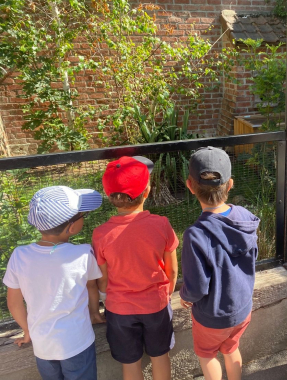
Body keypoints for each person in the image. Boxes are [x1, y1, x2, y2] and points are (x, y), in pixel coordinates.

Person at [3, 186, 103, 380]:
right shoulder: (83, 253)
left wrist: (27, 330)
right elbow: (92, 288)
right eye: (82, 214)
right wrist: (94, 314)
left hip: (43, 346)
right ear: (71, 227)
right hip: (78, 343)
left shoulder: (19, 255)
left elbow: (13, 303)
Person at [92, 156, 179, 380]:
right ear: (147, 191)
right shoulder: (162, 224)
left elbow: (103, 279)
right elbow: (172, 271)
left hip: (119, 310)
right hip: (156, 305)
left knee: (130, 364)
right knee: (160, 357)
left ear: (109, 195)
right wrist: (166, 295)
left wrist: (105, 299)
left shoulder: (100, 234)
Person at [179, 147, 260, 380]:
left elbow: (197, 288)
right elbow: (251, 258)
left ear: (190, 185)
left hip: (211, 318)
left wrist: (185, 296)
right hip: (242, 310)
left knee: (207, 355)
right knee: (232, 349)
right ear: (231, 184)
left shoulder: (195, 234)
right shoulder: (245, 217)